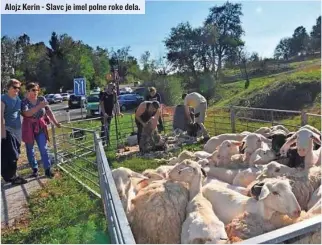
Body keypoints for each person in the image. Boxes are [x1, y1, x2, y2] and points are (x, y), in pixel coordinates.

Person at [21, 83, 61, 178]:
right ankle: (35, 169)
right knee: (30, 150)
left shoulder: (41, 99)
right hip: (29, 127)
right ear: (28, 91)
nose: (35, 92)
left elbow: (48, 111)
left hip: (40, 126)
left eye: (37, 90)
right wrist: (39, 106)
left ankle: (47, 169)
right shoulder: (24, 102)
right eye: (33, 90)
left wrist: (55, 122)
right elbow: (26, 113)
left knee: (44, 148)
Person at [1, 79, 28, 185]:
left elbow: (23, 112)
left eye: (18, 88)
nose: (17, 90)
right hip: (7, 130)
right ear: (8, 88)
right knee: (12, 155)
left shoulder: (18, 99)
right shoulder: (3, 99)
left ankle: (11, 176)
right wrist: (3, 134)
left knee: (15, 153)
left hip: (17, 130)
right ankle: (12, 177)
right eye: (15, 87)